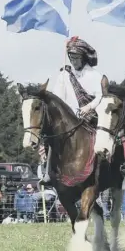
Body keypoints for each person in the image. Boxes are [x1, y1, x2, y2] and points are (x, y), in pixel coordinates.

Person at [41, 36, 104, 185]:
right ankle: (48, 173)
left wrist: (89, 107)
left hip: (90, 116)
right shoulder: (64, 75)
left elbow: (101, 96)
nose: (73, 60)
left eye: (76, 57)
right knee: (50, 137)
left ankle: (107, 170)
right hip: (68, 118)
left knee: (105, 136)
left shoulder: (95, 75)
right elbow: (57, 98)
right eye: (71, 57)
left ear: (83, 57)